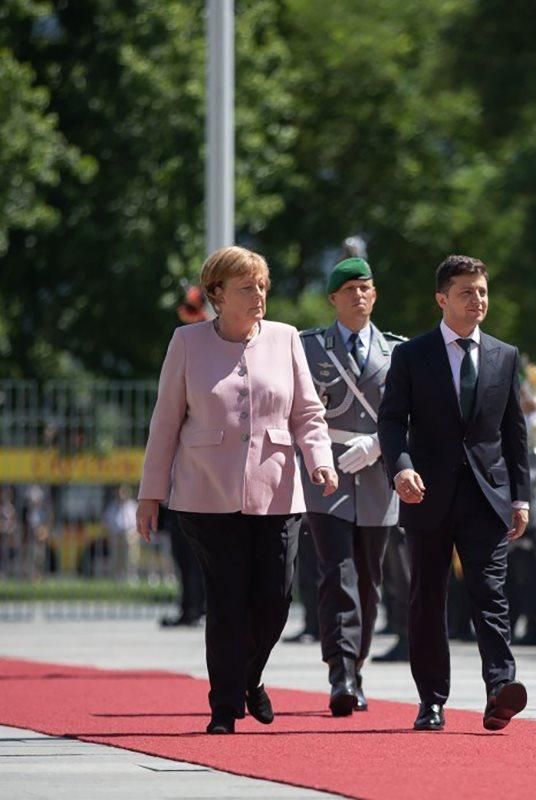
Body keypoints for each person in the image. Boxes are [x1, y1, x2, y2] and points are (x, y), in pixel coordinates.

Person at [135, 245, 337, 734]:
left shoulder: (287, 339)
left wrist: (321, 461)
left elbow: (307, 413)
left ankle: (250, 676)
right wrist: (150, 492)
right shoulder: (187, 343)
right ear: (217, 294)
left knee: (275, 600)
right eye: (247, 287)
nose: (259, 295)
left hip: (277, 489)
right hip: (205, 493)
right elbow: (165, 422)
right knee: (225, 601)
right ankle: (224, 708)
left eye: (262, 285)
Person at [378, 254, 531, 732]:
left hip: (488, 496)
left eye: (483, 291)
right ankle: (432, 700)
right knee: (428, 598)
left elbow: (515, 432)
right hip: (426, 495)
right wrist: (400, 469)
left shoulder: (504, 356)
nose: (477, 300)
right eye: (467, 292)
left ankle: (499, 690)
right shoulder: (411, 355)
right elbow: (390, 420)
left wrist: (520, 497)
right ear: (442, 298)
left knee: (491, 593)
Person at [299, 257, 407, 716]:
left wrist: (380, 445)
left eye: (365, 288)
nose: (358, 296)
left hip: (377, 476)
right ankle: (339, 674)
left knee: (369, 579)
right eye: (349, 290)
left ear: (374, 295)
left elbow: (410, 416)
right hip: (329, 476)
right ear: (333, 300)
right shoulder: (310, 348)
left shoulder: (397, 351)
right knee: (336, 573)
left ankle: (356, 665)